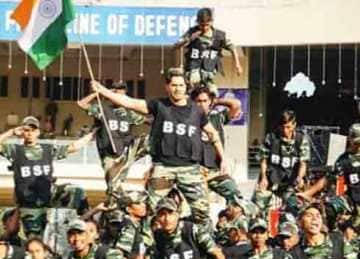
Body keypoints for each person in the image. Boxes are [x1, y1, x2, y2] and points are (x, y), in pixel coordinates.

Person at [90, 68, 226, 225]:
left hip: (190, 169)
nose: (178, 89)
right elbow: (129, 102)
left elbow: (213, 133)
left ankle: (194, 242)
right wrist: (103, 91)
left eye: (181, 85)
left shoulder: (197, 111)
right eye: (174, 85)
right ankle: (149, 245)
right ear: (167, 87)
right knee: (153, 213)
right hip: (163, 168)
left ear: (186, 87)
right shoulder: (158, 105)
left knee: (202, 214)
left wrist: (222, 159)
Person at [0, 116, 95, 237]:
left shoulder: (47, 149)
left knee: (77, 191)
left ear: (38, 132)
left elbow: (73, 147)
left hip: (48, 195)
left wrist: (91, 135)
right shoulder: (15, 150)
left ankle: (89, 225)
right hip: (30, 204)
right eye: (26, 130)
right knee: (35, 239)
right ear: (22, 132)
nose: (30, 133)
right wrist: (12, 132)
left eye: (33, 130)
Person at [78, 81, 147, 203]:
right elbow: (82, 104)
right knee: (113, 187)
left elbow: (147, 120)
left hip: (125, 153)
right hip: (109, 155)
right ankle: (114, 209)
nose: (119, 94)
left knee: (150, 140)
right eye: (115, 91)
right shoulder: (103, 110)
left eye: (122, 91)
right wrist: (97, 93)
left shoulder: (129, 113)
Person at [191, 86, 243, 204]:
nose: (202, 104)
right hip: (194, 171)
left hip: (215, 171)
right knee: (194, 206)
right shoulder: (187, 119)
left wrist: (217, 101)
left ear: (210, 102)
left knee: (235, 197)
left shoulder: (218, 117)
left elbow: (236, 105)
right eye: (199, 101)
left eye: (205, 101)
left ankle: (227, 222)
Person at [175, 7, 242, 94]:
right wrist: (189, 39)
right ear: (198, 22)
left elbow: (232, 47)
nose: (204, 28)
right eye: (202, 25)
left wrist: (238, 64)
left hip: (208, 71)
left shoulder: (219, 35)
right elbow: (176, 46)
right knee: (194, 86)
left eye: (207, 25)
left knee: (213, 92)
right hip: (193, 69)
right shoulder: (191, 32)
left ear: (211, 22)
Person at [255, 110, 310, 212]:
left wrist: (299, 178)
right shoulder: (271, 137)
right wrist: (263, 177)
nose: (285, 130)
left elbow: (303, 163)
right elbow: (263, 159)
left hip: (291, 182)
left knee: (293, 208)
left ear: (294, 125)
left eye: (288, 127)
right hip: (271, 180)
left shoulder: (301, 139)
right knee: (259, 208)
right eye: (283, 127)